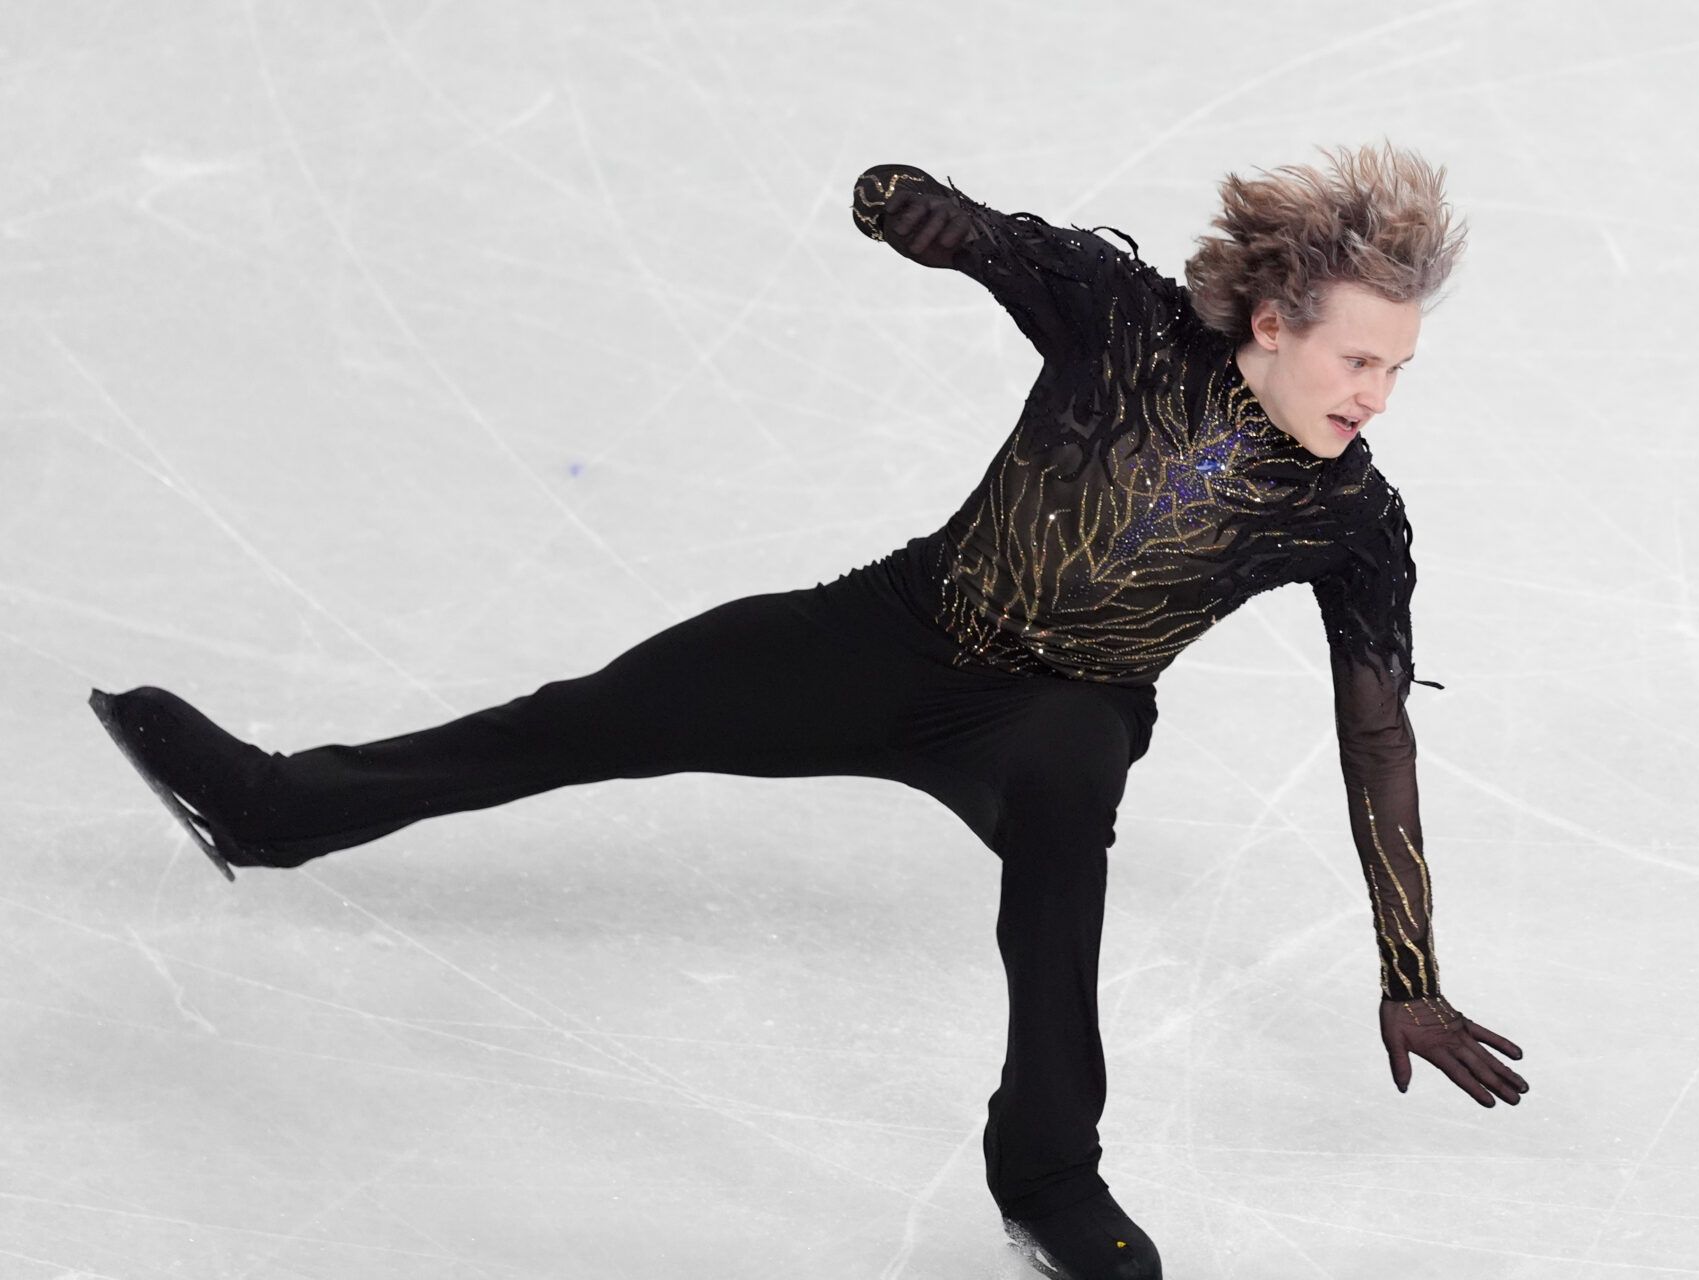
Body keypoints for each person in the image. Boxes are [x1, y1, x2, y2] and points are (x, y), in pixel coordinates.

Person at [88, 139, 1528, 1280]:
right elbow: (985, 237)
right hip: (896, 630)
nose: (1379, 396)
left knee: (1058, 883)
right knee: (589, 715)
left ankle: (1048, 1181)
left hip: (1059, 714)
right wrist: (911, 206)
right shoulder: (1122, 321)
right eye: (1359, 361)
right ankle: (277, 810)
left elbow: (1376, 738)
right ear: (1274, 323)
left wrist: (1407, 969)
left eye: (1399, 368)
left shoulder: (1352, 521)